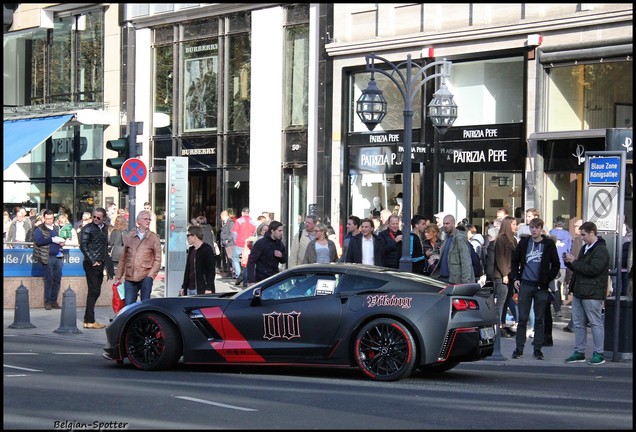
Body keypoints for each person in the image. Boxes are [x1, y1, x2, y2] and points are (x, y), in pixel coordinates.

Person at [510, 217, 560, 360]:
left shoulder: (549, 244)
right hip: (525, 284)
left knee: (539, 319)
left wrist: (547, 278)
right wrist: (516, 278)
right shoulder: (524, 243)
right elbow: (514, 261)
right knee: (522, 318)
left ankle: (537, 349)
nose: (534, 230)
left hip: (541, 286)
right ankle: (519, 349)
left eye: (536, 228)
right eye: (532, 227)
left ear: (541, 229)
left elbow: (556, 264)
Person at [563, 221, 611, 365]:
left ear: (592, 233)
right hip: (580, 290)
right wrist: (569, 262)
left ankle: (598, 353)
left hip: (592, 292)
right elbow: (582, 267)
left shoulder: (600, 250)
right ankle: (579, 351)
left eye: (584, 234)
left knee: (595, 323)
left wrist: (574, 262)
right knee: (579, 323)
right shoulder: (586, 248)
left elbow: (593, 270)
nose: (582, 237)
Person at [114, 210, 162, 306]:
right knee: (128, 306)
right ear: (138, 221)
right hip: (130, 276)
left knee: (145, 305)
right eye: (145, 219)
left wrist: (151, 275)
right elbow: (123, 257)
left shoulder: (153, 238)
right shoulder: (130, 236)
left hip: (146, 275)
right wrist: (118, 275)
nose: (148, 221)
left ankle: (145, 321)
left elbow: (158, 259)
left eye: (149, 219)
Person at [79, 207, 111, 329]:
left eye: (98, 217)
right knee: (94, 291)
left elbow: (104, 246)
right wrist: (93, 261)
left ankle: (88, 320)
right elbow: (83, 246)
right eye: (94, 217)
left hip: (100, 262)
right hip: (91, 264)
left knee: (95, 291)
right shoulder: (88, 228)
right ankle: (89, 320)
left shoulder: (105, 229)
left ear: (103, 218)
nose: (96, 219)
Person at [33, 209, 65, 310]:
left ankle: (54, 301)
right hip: (47, 257)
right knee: (49, 280)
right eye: (47, 219)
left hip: (58, 256)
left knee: (57, 279)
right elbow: (38, 241)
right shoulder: (39, 228)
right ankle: (47, 302)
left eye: (51, 219)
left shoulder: (55, 228)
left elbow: (58, 239)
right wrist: (51, 239)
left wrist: (61, 242)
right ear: (44, 218)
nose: (49, 220)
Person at [493, 216, 518, 338]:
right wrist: (504, 274)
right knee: (501, 302)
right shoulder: (501, 239)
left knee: (507, 300)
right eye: (513, 224)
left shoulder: (513, 240)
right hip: (502, 275)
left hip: (511, 274)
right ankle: (497, 327)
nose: (515, 226)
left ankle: (503, 324)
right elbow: (500, 258)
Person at [435, 214, 474, 284]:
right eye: (444, 223)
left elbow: (466, 262)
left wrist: (465, 282)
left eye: (447, 223)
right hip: (443, 278)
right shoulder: (446, 238)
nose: (445, 226)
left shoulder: (459, 239)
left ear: (453, 224)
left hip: (454, 280)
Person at [180, 224, 216, 295]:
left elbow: (211, 270)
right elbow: (188, 270)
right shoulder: (191, 250)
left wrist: (208, 288)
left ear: (194, 236)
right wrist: (183, 286)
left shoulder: (207, 249)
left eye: (188, 236)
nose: (187, 238)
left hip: (201, 288)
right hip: (189, 288)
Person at [549, 216, 572, 316]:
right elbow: (569, 250)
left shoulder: (550, 233)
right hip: (562, 265)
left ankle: (556, 308)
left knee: (553, 287)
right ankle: (557, 309)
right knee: (558, 286)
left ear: (554, 223)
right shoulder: (567, 235)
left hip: (551, 264)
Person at [231, 207, 257, 284]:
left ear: (242, 213)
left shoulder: (239, 221)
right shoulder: (252, 222)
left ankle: (239, 275)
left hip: (239, 243)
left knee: (235, 258)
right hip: (248, 244)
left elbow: (234, 232)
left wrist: (236, 241)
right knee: (246, 261)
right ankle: (245, 280)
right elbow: (254, 233)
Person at [219, 210, 235, 277]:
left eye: (221, 216)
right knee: (228, 259)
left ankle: (234, 273)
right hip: (226, 243)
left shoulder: (230, 223)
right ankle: (229, 273)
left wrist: (227, 240)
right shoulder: (225, 223)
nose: (221, 218)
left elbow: (231, 233)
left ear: (224, 216)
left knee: (231, 259)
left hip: (229, 244)